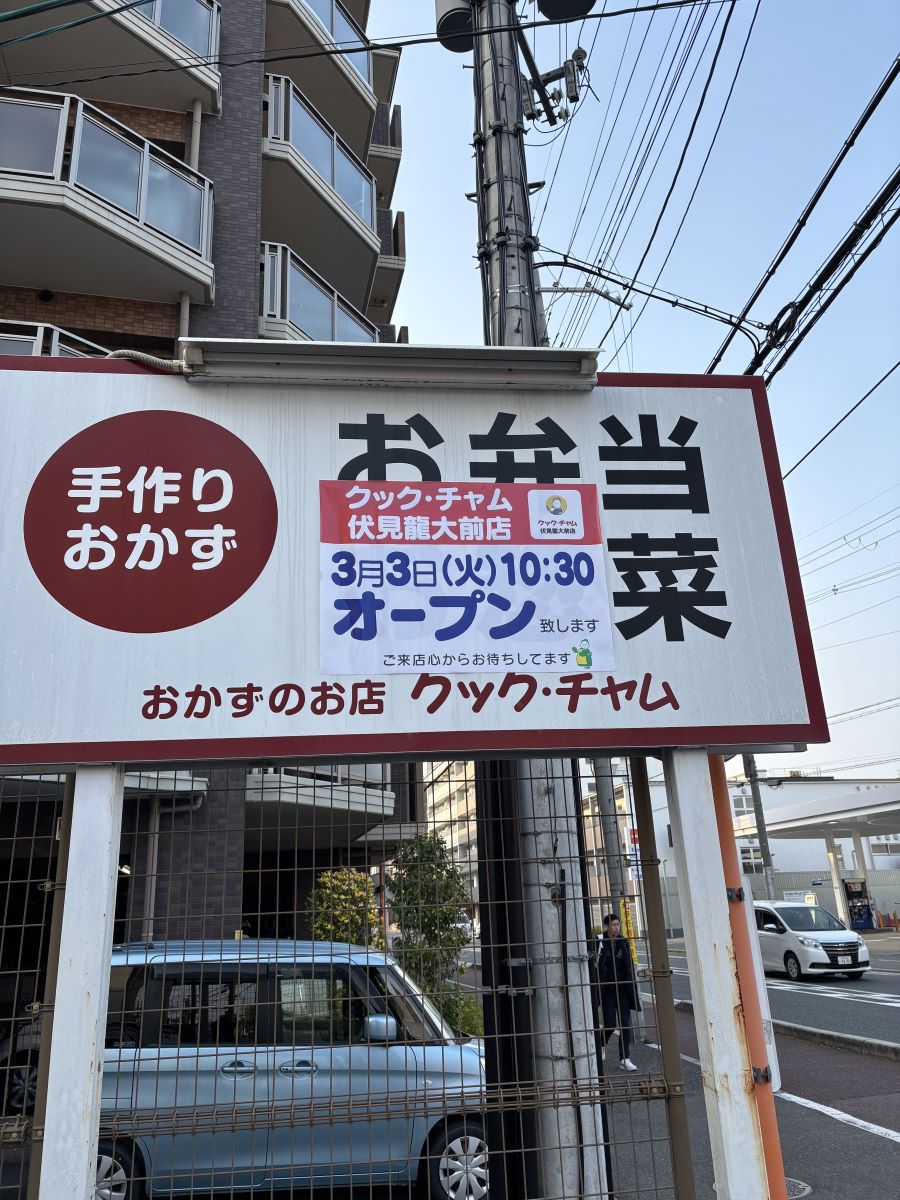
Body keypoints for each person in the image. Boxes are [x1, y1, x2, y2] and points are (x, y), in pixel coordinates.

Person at [597, 913, 639, 1071]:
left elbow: (629, 965)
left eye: (618, 924)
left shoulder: (623, 942)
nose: (617, 927)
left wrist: (631, 985)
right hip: (607, 989)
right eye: (613, 925)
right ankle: (601, 1044)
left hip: (622, 989)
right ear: (607, 926)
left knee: (625, 1024)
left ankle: (625, 1058)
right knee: (610, 1023)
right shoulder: (600, 941)